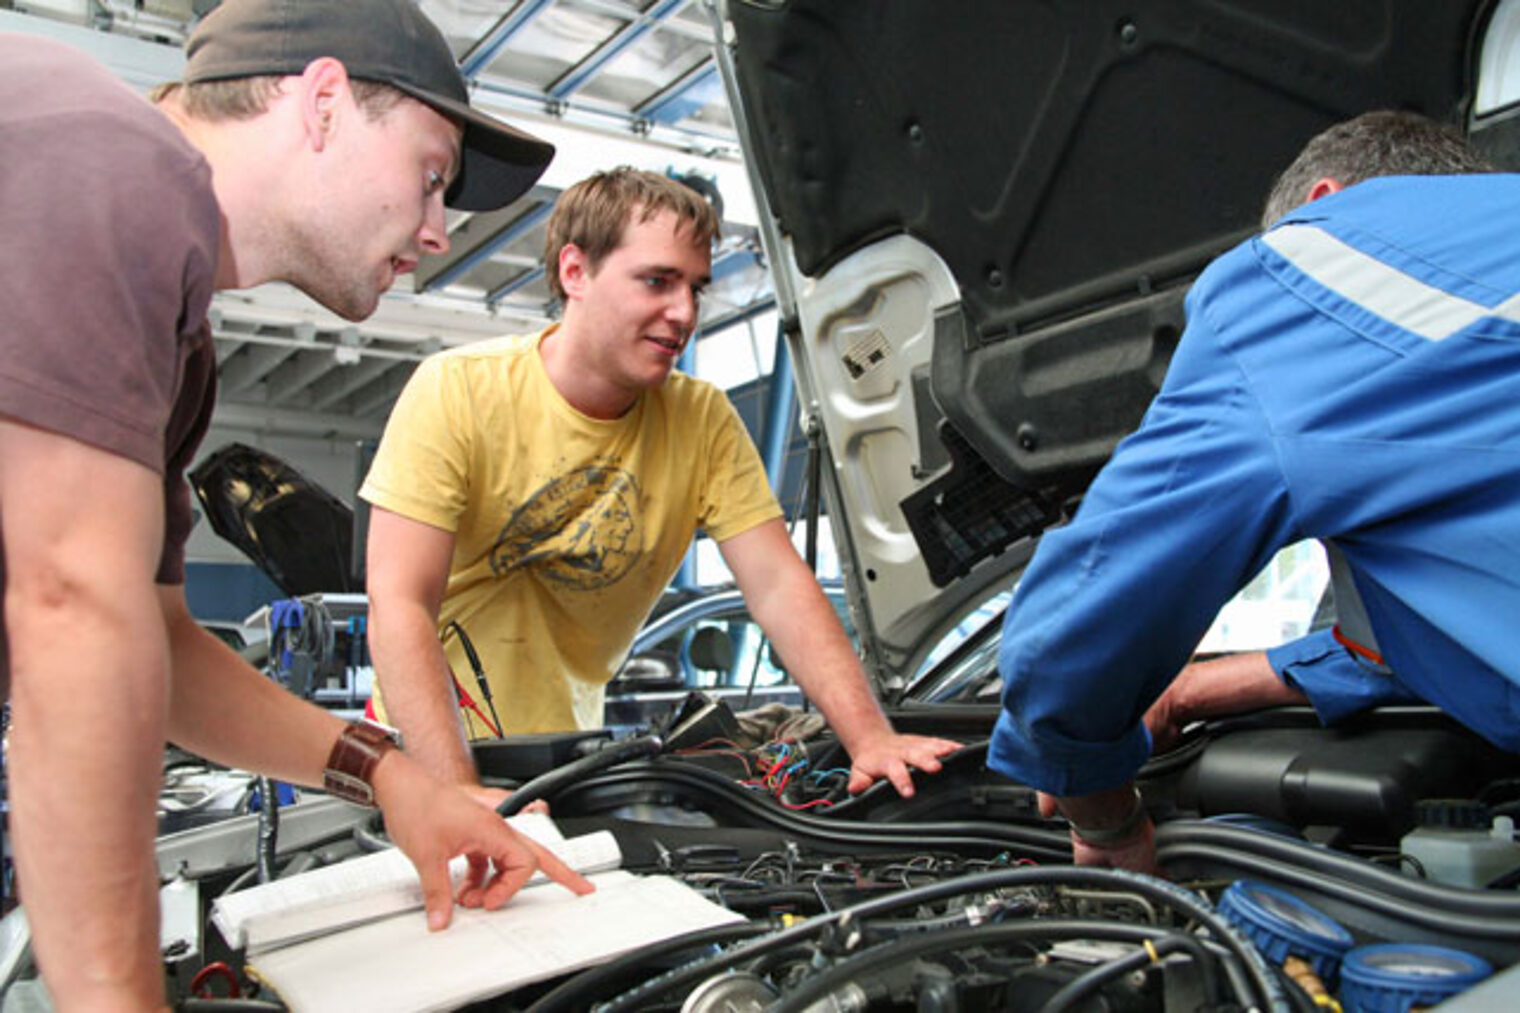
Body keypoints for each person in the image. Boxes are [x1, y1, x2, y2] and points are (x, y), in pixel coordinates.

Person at [0, 2, 595, 1008]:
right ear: (322, 101)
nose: (438, 229)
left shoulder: (177, 349)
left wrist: (393, 779)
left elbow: (154, 641)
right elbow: (69, 612)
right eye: (432, 174)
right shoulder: (116, 159)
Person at [986, 110, 1510, 874]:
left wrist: (1105, 821)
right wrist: (1194, 689)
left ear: (1323, 201)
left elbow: (1070, 640)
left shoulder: (1313, 261)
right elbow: (1451, 621)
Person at [361, 167, 960, 802]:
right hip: (423, 753)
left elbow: (779, 585)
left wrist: (870, 737)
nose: (685, 314)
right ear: (575, 273)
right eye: (657, 281)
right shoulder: (457, 391)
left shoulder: (701, 420)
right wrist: (452, 791)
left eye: (696, 288)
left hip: (565, 759)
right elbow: (400, 603)